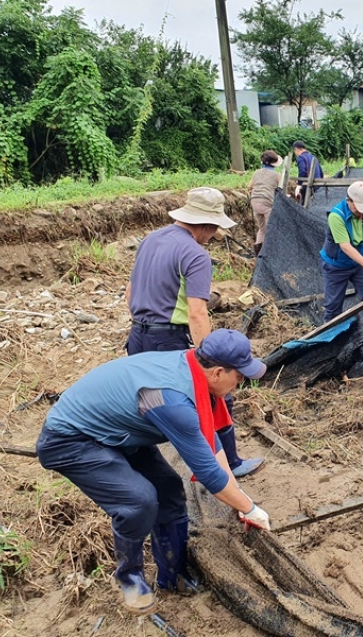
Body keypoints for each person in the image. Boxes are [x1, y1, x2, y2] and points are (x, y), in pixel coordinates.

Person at [36, 329, 272, 614]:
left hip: (119, 432)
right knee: (139, 500)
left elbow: (213, 446)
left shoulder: (194, 372)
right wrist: (249, 508)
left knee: (170, 491)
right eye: (240, 376)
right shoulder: (172, 399)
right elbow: (208, 473)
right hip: (72, 439)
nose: (241, 382)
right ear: (218, 372)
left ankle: (173, 575)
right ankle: (130, 577)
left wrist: (241, 498)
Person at [125, 187, 264, 478]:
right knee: (214, 395)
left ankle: (149, 465)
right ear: (207, 224)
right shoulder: (195, 254)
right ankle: (229, 465)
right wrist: (210, 360)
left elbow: (130, 289)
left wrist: (141, 321)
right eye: (214, 230)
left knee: (148, 399)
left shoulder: (150, 239)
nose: (213, 236)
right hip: (168, 338)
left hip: (138, 335)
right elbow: (197, 312)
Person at [319, 181, 363, 329]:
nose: (361, 212)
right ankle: (331, 341)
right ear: (349, 201)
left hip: (358, 264)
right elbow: (345, 247)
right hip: (336, 266)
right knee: (333, 307)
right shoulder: (336, 216)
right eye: (358, 208)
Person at [247, 150, 284, 260]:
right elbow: (281, 189)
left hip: (255, 203)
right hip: (267, 203)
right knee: (270, 229)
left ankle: (258, 255)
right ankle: (270, 255)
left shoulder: (256, 173)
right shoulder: (277, 175)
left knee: (262, 229)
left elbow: (249, 187)